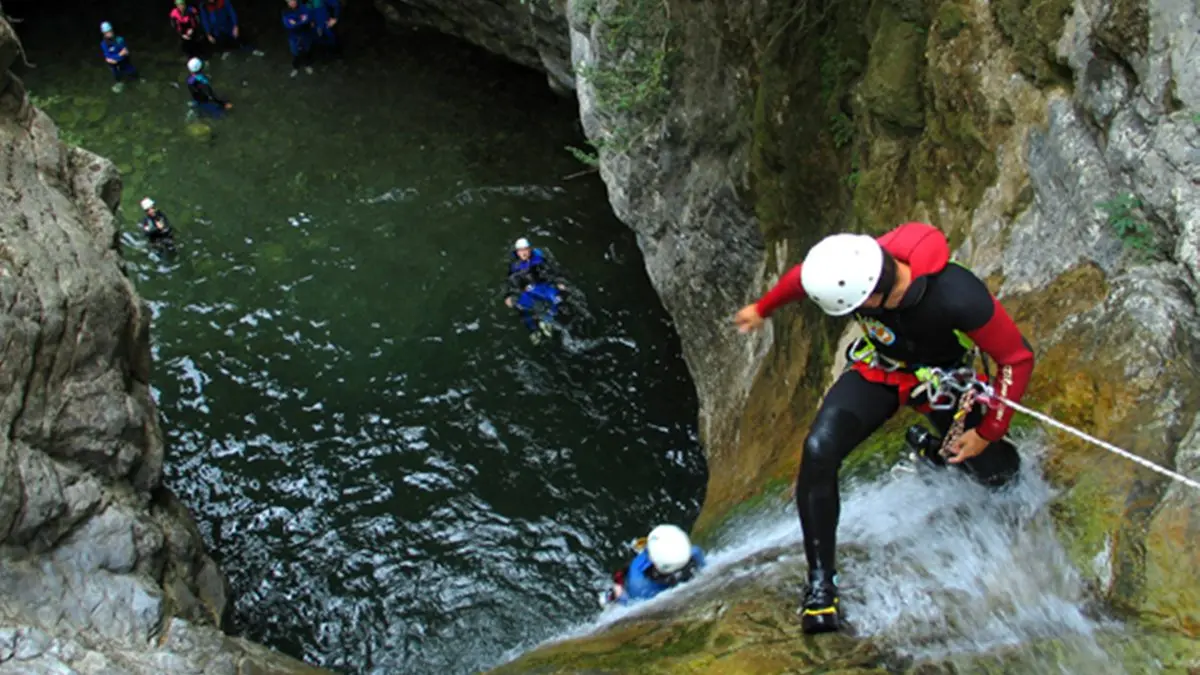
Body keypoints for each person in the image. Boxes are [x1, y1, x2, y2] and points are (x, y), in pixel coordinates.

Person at [732, 222, 1033, 635]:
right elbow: (802, 278)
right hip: (881, 372)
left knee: (995, 471)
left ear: (872, 295)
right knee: (819, 450)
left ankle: (940, 452)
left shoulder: (956, 295)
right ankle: (822, 584)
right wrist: (762, 308)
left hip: (942, 381)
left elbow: (1015, 358)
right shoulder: (851, 263)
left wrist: (988, 432)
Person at [601, 525, 707, 607]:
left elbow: (629, 603)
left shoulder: (640, 587)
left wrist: (617, 594)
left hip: (636, 590)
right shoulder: (693, 553)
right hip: (665, 575)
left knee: (615, 593)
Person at [504, 237, 566, 343]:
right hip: (527, 289)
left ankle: (547, 320)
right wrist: (507, 296)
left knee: (558, 299)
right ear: (517, 252)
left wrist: (558, 282)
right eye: (521, 250)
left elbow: (552, 272)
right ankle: (533, 330)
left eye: (526, 249)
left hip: (542, 286)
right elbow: (509, 282)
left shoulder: (539, 259)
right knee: (523, 308)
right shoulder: (514, 266)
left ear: (530, 249)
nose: (524, 253)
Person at [282, 0, 315, 76]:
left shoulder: (303, 7)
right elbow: (288, 24)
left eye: (293, 0)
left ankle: (307, 65)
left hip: (305, 34)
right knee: (295, 52)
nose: (292, 3)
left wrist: (296, 22)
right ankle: (295, 68)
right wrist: (301, 21)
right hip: (293, 35)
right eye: (290, 1)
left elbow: (308, 18)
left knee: (306, 50)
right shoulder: (285, 11)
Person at [99, 22, 138, 86]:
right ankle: (119, 82)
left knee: (131, 70)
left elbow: (125, 51)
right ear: (104, 34)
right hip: (114, 63)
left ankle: (137, 79)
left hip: (123, 60)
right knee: (116, 74)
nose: (109, 33)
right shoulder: (104, 44)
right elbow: (108, 57)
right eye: (107, 32)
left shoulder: (119, 39)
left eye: (110, 31)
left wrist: (116, 57)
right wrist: (119, 55)